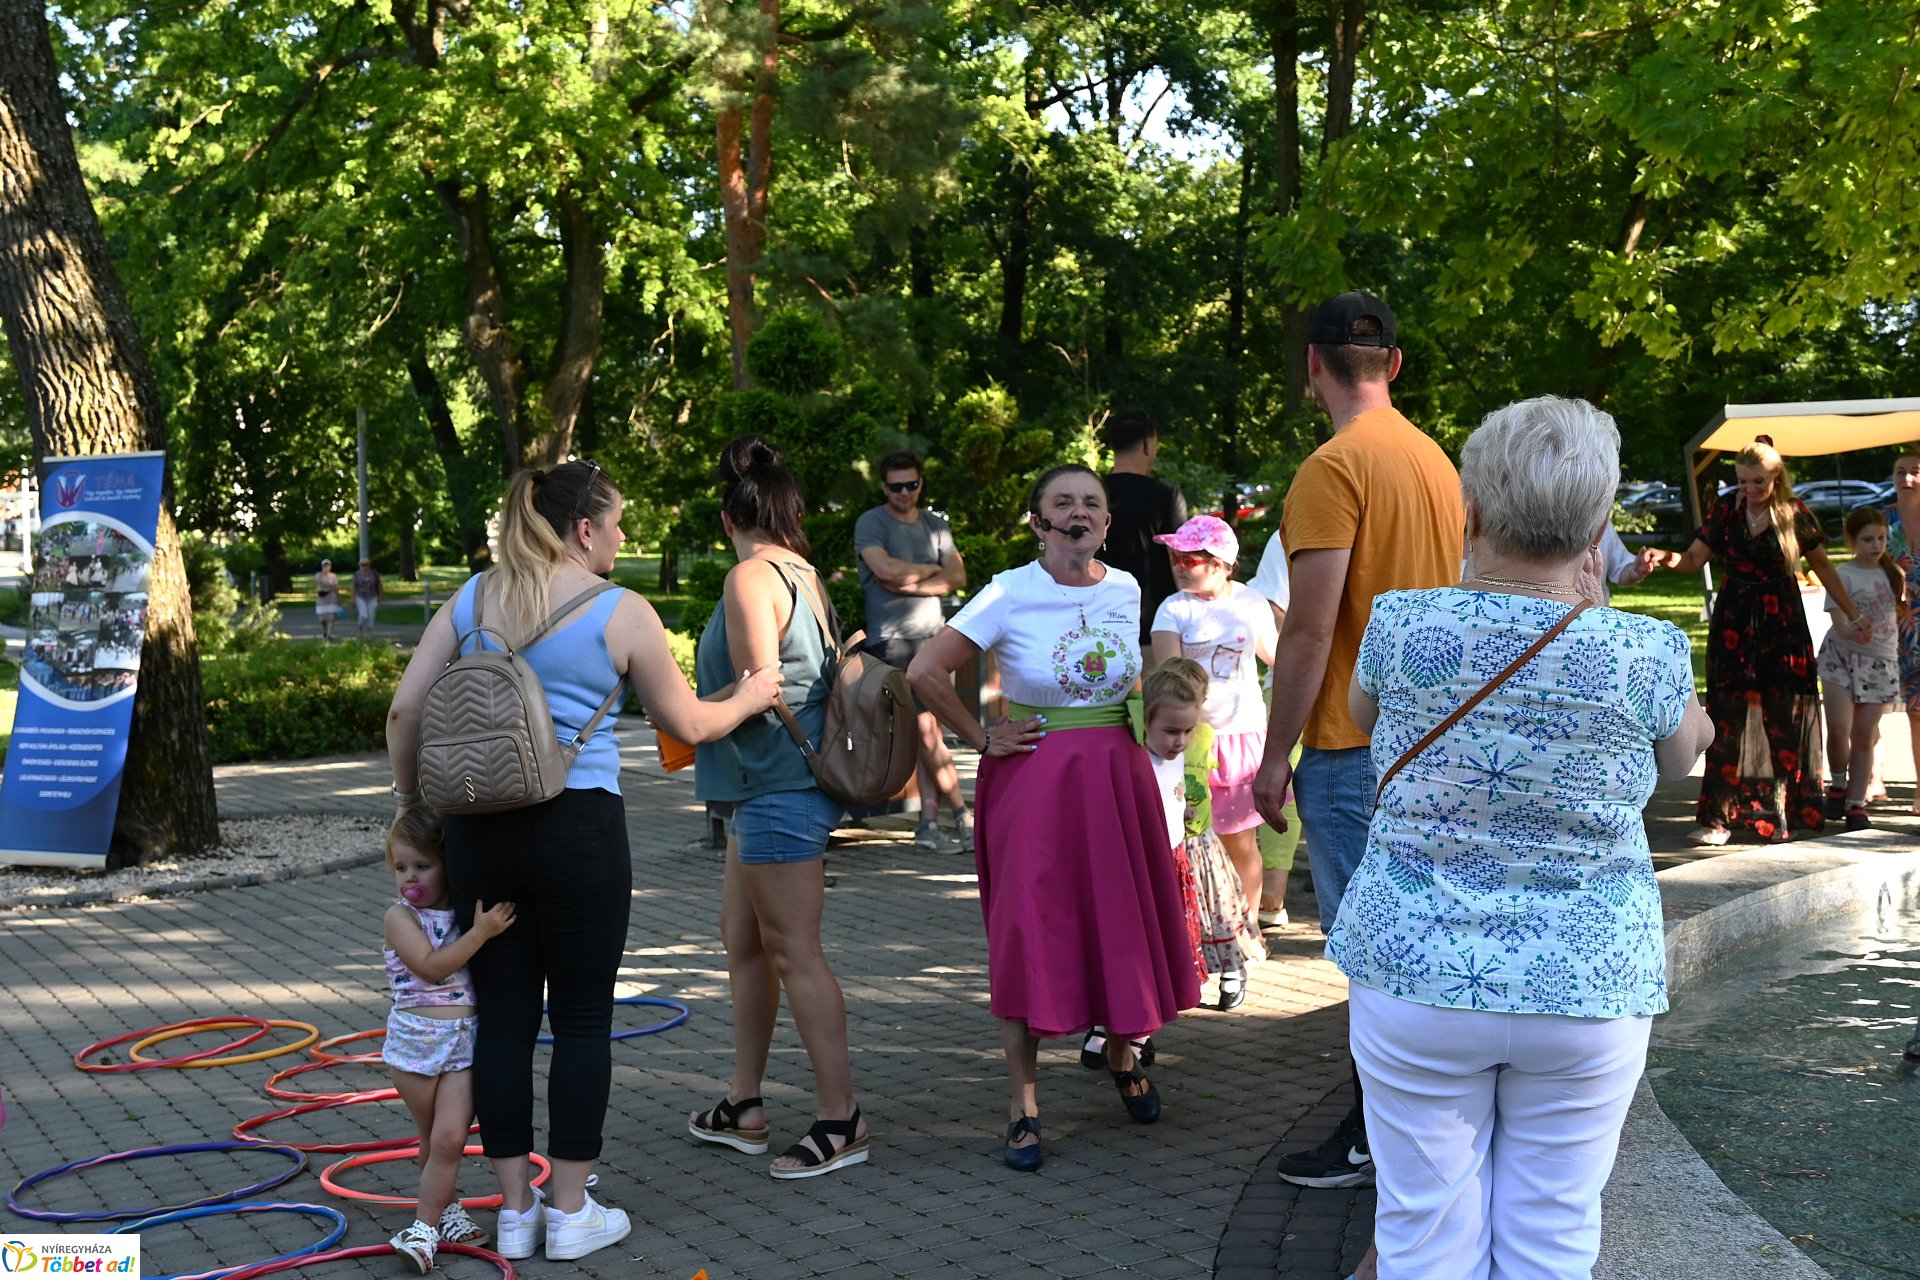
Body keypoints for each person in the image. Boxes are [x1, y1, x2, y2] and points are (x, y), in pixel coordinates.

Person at [1335, 394, 1713, 1279]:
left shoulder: (1402, 622)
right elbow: (1686, 757)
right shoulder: (1643, 649)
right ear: (1599, 527)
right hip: (1588, 980)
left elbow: (1361, 714)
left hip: (1416, 969)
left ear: (1471, 512)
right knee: (1554, 1236)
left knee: (1423, 1235)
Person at [386, 459, 781, 1262]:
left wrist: (414, 809)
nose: (626, 534)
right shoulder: (621, 610)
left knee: (501, 1021)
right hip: (579, 830)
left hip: (478, 830)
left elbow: (404, 709)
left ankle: (513, 1208)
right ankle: (571, 1212)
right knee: (581, 1019)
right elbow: (690, 724)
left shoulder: (473, 596)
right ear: (583, 528)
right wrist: (753, 692)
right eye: (619, 519)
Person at [908, 464, 1200, 1171]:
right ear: (1038, 522)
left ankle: (1125, 1055)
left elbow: (1131, 681)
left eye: (1091, 504)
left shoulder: (1128, 587)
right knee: (1031, 929)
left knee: (1119, 920)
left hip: (1116, 775)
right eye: (1061, 503)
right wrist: (981, 739)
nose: (1078, 513)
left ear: (1105, 523)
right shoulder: (1009, 590)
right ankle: (1024, 1105)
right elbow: (923, 670)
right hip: (1036, 782)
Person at [1251, 289, 1465, 1190]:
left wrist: (1273, 755)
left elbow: (1308, 629)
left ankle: (1379, 1136)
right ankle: (1409, 1126)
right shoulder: (1436, 462)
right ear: (1396, 366)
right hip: (1440, 747)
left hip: (1351, 749)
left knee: (1375, 964)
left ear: (1311, 365)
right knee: (1423, 945)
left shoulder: (1332, 468)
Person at [687, 436, 869, 1181]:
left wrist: (687, 713)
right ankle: (744, 1104)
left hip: (777, 788)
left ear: (728, 515)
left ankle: (841, 1119)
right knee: (745, 942)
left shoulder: (750, 577)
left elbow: (763, 686)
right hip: (762, 787)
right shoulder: (802, 571)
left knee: (794, 951)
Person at [1642, 437, 1867, 845]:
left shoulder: (1794, 514)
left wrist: (1852, 613)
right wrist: (1664, 556)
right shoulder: (1727, 509)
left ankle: (1779, 815)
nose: (1749, 489)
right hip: (1734, 623)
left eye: (1757, 481)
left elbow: (1824, 569)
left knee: (1783, 719)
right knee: (1726, 718)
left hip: (1783, 624)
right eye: (1743, 481)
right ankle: (1716, 820)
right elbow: (1693, 560)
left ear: (1775, 476)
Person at [380, 809, 516, 1272]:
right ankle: (446, 1214)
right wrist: (480, 932)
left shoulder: (462, 907)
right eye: (401, 867)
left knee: (450, 1138)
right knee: (429, 1137)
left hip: (462, 1044)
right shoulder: (399, 918)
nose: (410, 877)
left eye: (422, 865)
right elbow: (433, 967)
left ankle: (423, 1229)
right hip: (416, 1044)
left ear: (446, 864)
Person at [1150, 515, 1278, 946]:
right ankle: (1196, 929)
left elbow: (1278, 657)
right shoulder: (1173, 608)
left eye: (1190, 557)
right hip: (1188, 743)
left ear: (1223, 563)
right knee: (1186, 838)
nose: (1179, 565)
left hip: (1241, 736)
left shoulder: (1251, 602)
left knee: (1241, 841)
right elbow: (1170, 676)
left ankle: (1248, 927)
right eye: (1174, 556)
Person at [853, 450, 972, 851]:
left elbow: (958, 575)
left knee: (929, 733)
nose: (904, 493)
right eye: (895, 486)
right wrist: (931, 570)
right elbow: (883, 571)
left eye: (912, 484)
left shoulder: (936, 525)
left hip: (935, 641)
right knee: (923, 730)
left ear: (922, 483)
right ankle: (964, 815)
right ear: (884, 487)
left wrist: (914, 580)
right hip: (892, 641)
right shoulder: (871, 522)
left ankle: (929, 826)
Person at [1140, 657, 1264, 1010]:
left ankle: (1232, 971)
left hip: (1201, 843)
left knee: (1220, 908)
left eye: (1187, 727)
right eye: (1172, 728)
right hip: (1169, 846)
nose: (1181, 738)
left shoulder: (1203, 736)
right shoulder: (1140, 750)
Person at [1818, 507, 1904, 830]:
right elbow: (1838, 621)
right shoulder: (1842, 574)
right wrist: (1852, 626)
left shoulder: (1893, 573)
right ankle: (1838, 783)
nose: (1876, 545)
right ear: (1852, 540)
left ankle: (1856, 804)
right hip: (1841, 659)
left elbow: (1901, 613)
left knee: (1864, 735)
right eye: (1867, 539)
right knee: (1839, 729)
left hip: (1880, 664)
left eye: (1881, 538)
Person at [1248, 530, 1304, 929]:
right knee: (1280, 794)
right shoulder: (1288, 532)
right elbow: (1273, 607)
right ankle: (1270, 898)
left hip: (1358, 684)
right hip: (1289, 683)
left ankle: (1271, 898)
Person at [1099, 410, 1188, 657]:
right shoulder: (1166, 496)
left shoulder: (1090, 494)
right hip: (1155, 631)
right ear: (1149, 445)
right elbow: (1179, 561)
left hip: (1094, 629)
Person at [1882, 452, 1920, 815]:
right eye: (1900, 471)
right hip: (1899, 626)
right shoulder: (1884, 520)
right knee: (1915, 711)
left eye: (1915, 471)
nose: (1907, 477)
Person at [354, 557, 384, 638]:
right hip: (361, 597)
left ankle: (370, 631)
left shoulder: (374, 573)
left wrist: (380, 597)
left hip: (372, 596)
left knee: (371, 614)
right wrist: (353, 599)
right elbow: (354, 587)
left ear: (369, 565)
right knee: (363, 614)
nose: (364, 566)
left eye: (366, 564)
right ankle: (360, 628)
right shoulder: (357, 574)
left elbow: (379, 585)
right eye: (362, 565)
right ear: (359, 565)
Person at [315, 558, 340, 642]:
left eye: (328, 565)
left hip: (331, 597)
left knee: (331, 617)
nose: (326, 567)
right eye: (324, 565)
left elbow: (336, 586)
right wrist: (323, 573)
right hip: (322, 598)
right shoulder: (319, 574)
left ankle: (329, 634)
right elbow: (319, 582)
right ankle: (325, 631)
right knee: (322, 618)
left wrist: (338, 597)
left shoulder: (333, 576)